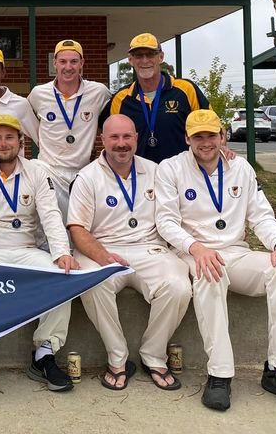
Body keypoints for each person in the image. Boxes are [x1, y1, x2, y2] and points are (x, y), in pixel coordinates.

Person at [155, 109, 276, 412]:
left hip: (236, 252)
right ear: (187, 138)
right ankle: (220, 374)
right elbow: (166, 221)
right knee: (210, 273)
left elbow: (260, 214)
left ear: (223, 136)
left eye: (211, 135)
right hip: (193, 253)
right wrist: (196, 248)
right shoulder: (170, 169)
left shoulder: (241, 168)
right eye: (198, 136)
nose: (205, 142)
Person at [0, 114, 79, 394]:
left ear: (21, 141)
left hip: (25, 248)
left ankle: (44, 352)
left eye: (10, 137)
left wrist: (61, 252)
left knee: (63, 276)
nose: (3, 143)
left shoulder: (37, 172)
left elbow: (51, 215)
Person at [67, 114, 191, 392]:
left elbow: (192, 163)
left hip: (150, 248)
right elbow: (77, 229)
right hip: (103, 248)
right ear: (102, 139)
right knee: (92, 283)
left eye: (127, 137)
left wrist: (224, 151)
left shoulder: (156, 171)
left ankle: (154, 355)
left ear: (136, 138)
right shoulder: (87, 177)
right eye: (114, 137)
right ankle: (117, 357)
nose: (121, 143)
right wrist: (104, 257)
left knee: (178, 287)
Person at [27, 39, 111, 218]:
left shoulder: (99, 92)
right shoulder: (38, 93)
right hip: (49, 170)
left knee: (80, 224)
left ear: (82, 63)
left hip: (83, 172)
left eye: (74, 61)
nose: (68, 67)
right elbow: (28, 120)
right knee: (50, 222)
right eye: (63, 61)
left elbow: (110, 119)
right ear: (55, 63)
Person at [101, 33, 209, 164]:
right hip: (138, 173)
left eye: (150, 54)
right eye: (138, 55)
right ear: (130, 60)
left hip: (180, 172)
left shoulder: (186, 89)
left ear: (161, 57)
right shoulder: (121, 98)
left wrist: (221, 147)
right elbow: (107, 134)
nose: (144, 60)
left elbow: (212, 126)